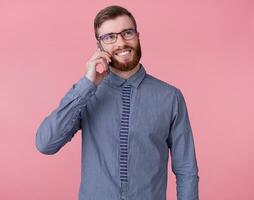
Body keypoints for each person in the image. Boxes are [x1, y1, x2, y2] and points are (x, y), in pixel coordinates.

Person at [35, 5, 199, 200]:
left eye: (127, 33)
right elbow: (46, 144)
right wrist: (87, 84)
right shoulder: (86, 95)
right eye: (109, 37)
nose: (120, 42)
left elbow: (186, 170)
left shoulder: (170, 97)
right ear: (99, 47)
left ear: (138, 36)